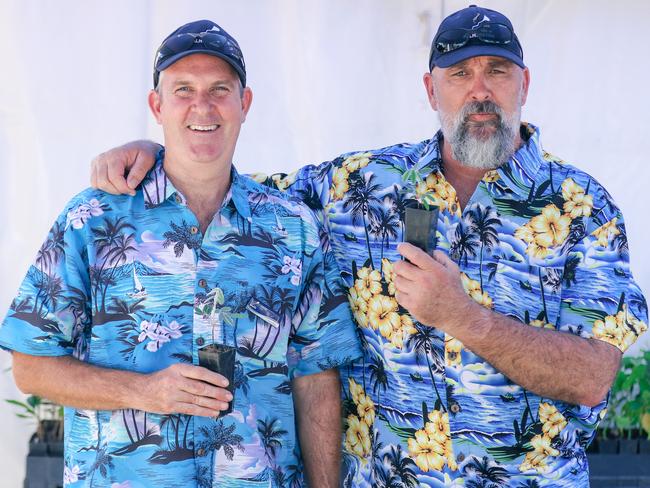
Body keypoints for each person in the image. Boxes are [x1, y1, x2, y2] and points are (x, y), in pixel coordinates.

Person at [90, 5, 648, 487]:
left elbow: (592, 376)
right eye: (460, 74)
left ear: (525, 85)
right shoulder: (362, 187)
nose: (480, 90)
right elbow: (239, 193)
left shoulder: (582, 209)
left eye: (497, 71)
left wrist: (462, 316)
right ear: (431, 89)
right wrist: (158, 149)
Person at [0, 20, 361, 488]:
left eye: (219, 89)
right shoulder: (92, 218)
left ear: (244, 103)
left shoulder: (292, 226)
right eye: (183, 90)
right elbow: (31, 367)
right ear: (158, 105)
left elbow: (316, 377)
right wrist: (146, 391)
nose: (202, 106)